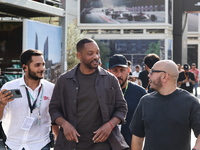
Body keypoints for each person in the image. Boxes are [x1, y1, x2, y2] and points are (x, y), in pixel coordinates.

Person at [49, 38, 129, 150]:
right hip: (71, 145)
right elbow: (53, 109)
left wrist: (110, 125)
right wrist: (64, 124)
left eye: (97, 52)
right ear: (79, 56)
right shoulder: (64, 80)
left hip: (103, 144)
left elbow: (122, 108)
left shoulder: (110, 79)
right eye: (90, 54)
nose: (96, 56)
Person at [129, 60, 200, 150]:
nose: (148, 75)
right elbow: (137, 137)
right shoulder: (145, 101)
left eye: (152, 72)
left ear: (164, 76)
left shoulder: (191, 102)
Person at [0, 49, 58, 150]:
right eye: (37, 65)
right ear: (25, 67)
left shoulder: (51, 89)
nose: (42, 68)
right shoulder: (9, 87)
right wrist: (2, 104)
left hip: (41, 144)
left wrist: (58, 141)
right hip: (14, 145)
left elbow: (55, 117)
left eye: (43, 64)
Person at [109, 54, 146, 147]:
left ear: (128, 71)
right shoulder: (101, 91)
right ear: (109, 72)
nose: (119, 75)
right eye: (115, 70)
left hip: (130, 145)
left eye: (122, 70)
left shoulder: (140, 93)